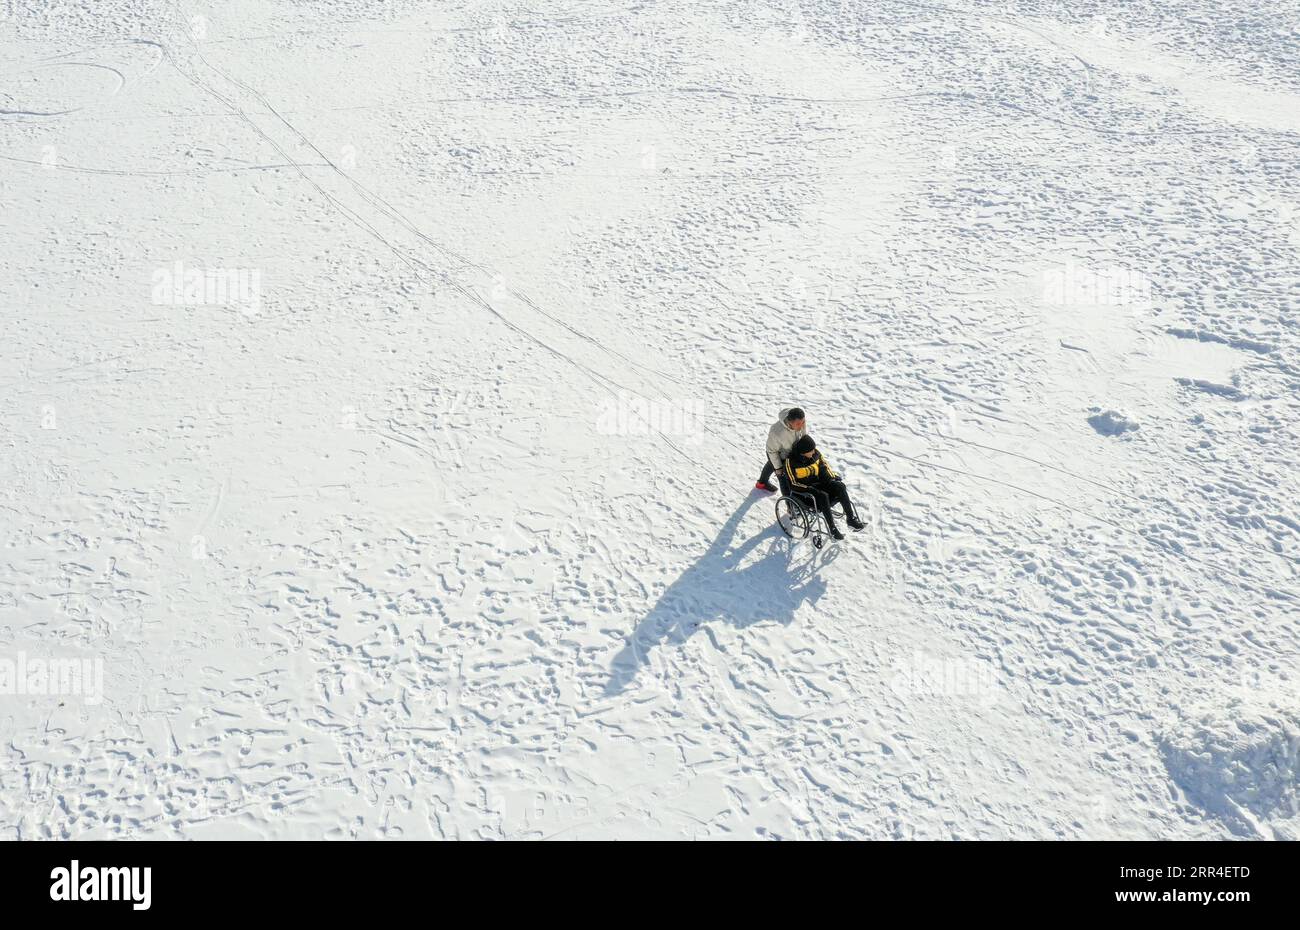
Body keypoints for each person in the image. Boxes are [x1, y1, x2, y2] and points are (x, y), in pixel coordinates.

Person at [783, 435, 865, 540]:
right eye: (811, 451)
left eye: (813, 449)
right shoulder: (791, 462)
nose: (814, 452)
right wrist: (810, 489)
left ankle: (851, 520)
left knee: (840, 486)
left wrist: (831, 479)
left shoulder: (816, 454)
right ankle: (833, 530)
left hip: (819, 484)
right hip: (804, 493)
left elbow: (824, 468)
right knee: (823, 495)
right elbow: (793, 484)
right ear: (803, 452)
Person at [755, 407, 806, 493]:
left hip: (789, 451)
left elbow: (803, 433)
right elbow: (772, 451)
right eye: (798, 424)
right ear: (790, 422)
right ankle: (789, 504)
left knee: (771, 465)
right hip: (776, 453)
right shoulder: (777, 432)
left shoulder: (799, 420)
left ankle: (761, 483)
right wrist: (778, 468)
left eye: (803, 422)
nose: (801, 426)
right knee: (783, 478)